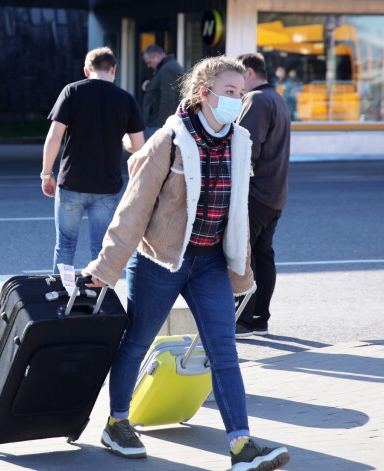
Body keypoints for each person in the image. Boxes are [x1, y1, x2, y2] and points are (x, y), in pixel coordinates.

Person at [83, 56, 290, 471]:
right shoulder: (170, 140)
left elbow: (238, 215)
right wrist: (105, 270)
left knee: (224, 350)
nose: (237, 100)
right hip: (161, 260)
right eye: (229, 93)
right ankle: (117, 423)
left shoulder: (239, 140)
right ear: (204, 93)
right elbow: (133, 210)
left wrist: (243, 272)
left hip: (210, 262)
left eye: (241, 94)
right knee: (138, 340)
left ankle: (241, 445)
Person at [41, 47, 145, 274]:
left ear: (87, 71)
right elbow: (139, 148)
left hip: (71, 183)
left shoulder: (72, 91)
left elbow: (54, 136)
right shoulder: (126, 99)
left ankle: (62, 295)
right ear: (114, 69)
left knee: (65, 246)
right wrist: (123, 142)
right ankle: (97, 299)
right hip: (107, 187)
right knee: (100, 250)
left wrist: (46, 173)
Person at [235, 53, 291, 338]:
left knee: (244, 255)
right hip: (275, 191)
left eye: (237, 78)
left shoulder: (255, 100)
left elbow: (245, 148)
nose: (236, 86)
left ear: (248, 72)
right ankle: (259, 319)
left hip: (255, 192)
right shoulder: (277, 98)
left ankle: (243, 320)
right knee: (263, 254)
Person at [141, 44, 184, 139]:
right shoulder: (166, 67)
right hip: (159, 123)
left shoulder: (167, 69)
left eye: (149, 62)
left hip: (160, 125)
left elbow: (168, 99)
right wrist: (150, 85)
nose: (148, 66)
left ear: (157, 56)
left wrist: (162, 127)